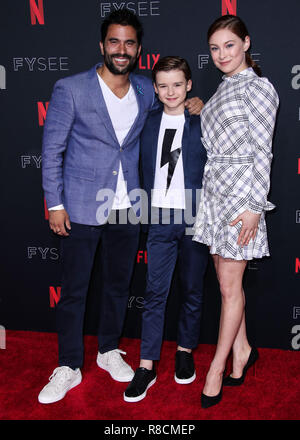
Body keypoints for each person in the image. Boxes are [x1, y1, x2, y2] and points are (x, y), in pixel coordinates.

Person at [38, 10, 203, 404]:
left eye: (129, 43)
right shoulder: (71, 88)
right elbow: (51, 150)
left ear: (138, 49)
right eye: (114, 41)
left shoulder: (148, 90)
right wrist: (54, 203)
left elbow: (174, 107)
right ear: (102, 46)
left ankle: (109, 350)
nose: (122, 49)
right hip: (80, 204)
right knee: (75, 290)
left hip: (129, 205)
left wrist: (197, 103)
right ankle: (68, 366)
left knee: (117, 285)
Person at [193, 15, 279, 408]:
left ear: (246, 43)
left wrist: (253, 207)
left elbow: (263, 150)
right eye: (214, 48)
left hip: (240, 196)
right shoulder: (225, 87)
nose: (222, 54)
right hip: (215, 193)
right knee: (228, 285)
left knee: (229, 288)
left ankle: (217, 368)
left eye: (229, 45)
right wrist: (200, 106)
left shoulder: (259, 88)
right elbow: (220, 127)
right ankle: (242, 350)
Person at [124, 56, 208, 403]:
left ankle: (185, 350)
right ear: (154, 89)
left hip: (195, 216)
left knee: (191, 289)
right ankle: (146, 365)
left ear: (189, 85)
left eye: (178, 84)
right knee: (155, 292)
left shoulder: (203, 119)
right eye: (163, 85)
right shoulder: (146, 122)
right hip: (159, 217)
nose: (171, 91)